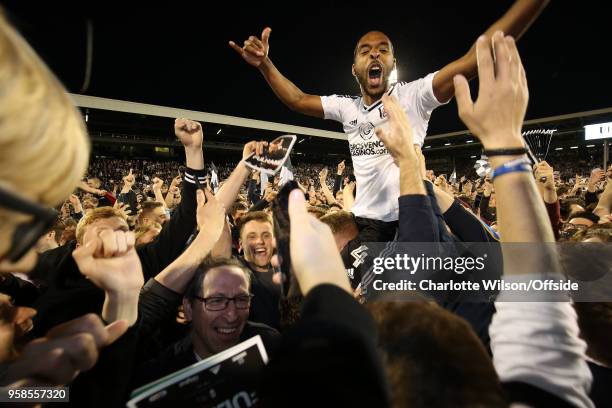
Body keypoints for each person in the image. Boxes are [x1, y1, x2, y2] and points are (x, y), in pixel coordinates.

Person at [230, 0, 549, 226]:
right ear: (354, 69)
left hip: (414, 216)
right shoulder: (347, 107)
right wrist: (265, 66)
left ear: (393, 65)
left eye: (383, 49)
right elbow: (297, 99)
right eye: (365, 51)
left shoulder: (414, 96)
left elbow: (472, 59)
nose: (374, 53)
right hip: (365, 222)